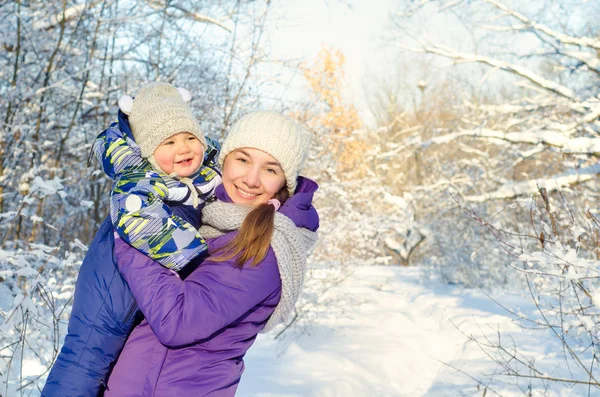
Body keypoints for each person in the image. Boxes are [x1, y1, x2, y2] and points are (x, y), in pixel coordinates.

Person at [102, 110, 319, 396]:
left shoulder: (266, 248)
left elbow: (178, 321)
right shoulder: (206, 216)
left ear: (283, 184)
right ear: (224, 160)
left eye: (270, 169)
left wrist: (134, 232)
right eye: (243, 159)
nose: (251, 179)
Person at [42, 82, 221, 397]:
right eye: (169, 142)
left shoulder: (197, 175)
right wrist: (196, 260)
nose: (184, 148)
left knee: (118, 364)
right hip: (110, 283)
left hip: (140, 282)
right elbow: (138, 219)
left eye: (191, 137)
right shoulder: (138, 177)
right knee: (86, 359)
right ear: (149, 151)